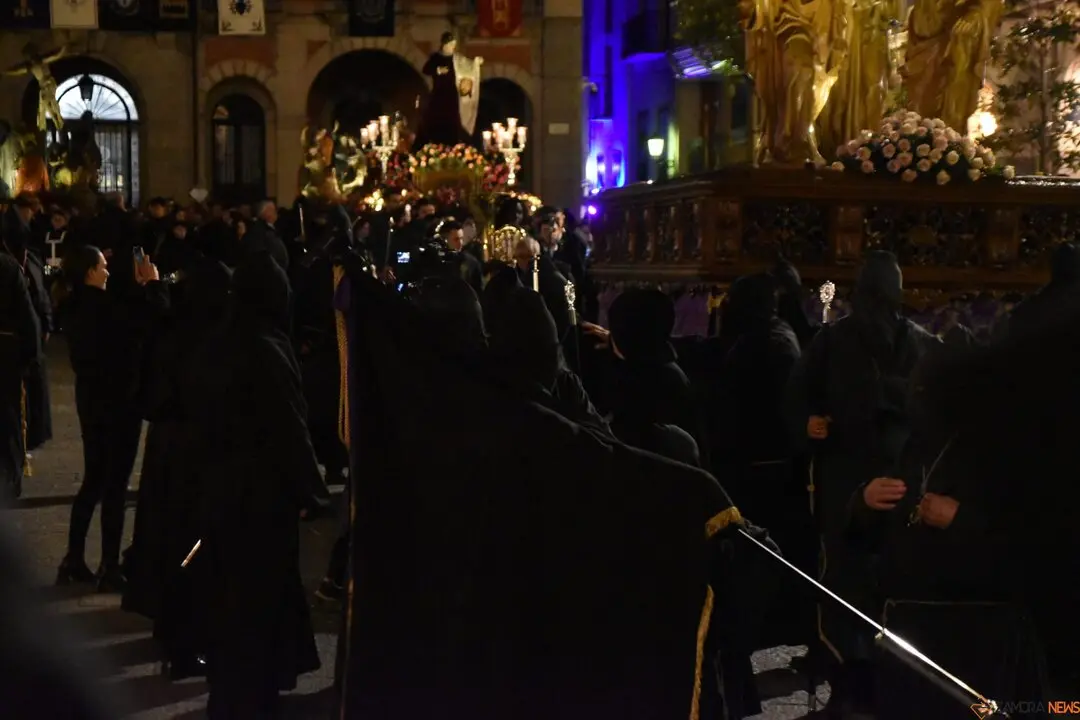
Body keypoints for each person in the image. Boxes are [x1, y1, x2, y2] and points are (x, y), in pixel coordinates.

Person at [786, 250, 938, 716]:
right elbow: (801, 398)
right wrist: (809, 422)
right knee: (852, 578)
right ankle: (862, 682)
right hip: (865, 479)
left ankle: (862, 682)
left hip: (872, 481)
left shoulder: (908, 344)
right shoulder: (839, 342)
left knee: (865, 580)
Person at [197, 251, 323, 718]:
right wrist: (310, 490)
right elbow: (288, 425)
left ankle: (230, 688)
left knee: (230, 595)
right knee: (259, 600)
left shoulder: (220, 342)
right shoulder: (267, 347)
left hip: (222, 489)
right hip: (261, 495)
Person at [57, 244, 168, 592]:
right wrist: (152, 285)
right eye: (102, 266)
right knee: (115, 485)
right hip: (120, 404)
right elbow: (154, 320)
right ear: (90, 272)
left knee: (93, 479)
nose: (107, 271)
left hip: (91, 402)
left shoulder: (74, 308)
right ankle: (110, 565)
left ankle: (74, 558)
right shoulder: (108, 309)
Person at [0, 252, 40, 501]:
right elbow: (27, 316)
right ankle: (10, 477)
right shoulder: (7, 267)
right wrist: (30, 356)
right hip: (5, 352)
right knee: (8, 417)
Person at [243, 200, 290, 274]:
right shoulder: (259, 230)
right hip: (269, 273)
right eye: (273, 210)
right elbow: (259, 253)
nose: (276, 213)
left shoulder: (271, 228)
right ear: (266, 213)